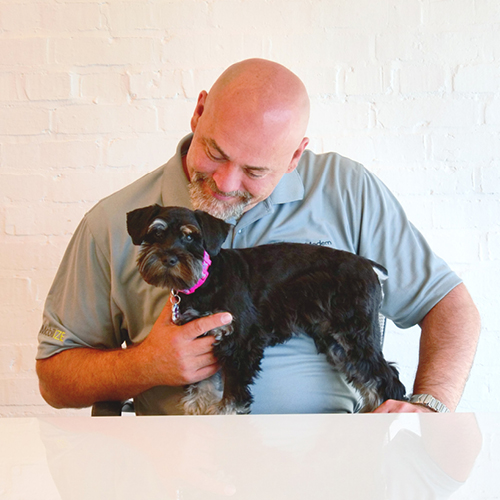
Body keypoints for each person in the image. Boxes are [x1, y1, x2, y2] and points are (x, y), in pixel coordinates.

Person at [36, 58, 480, 415]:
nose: (226, 183)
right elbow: (55, 379)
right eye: (215, 152)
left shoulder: (347, 190)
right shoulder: (111, 221)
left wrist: (429, 407)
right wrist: (144, 365)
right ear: (199, 112)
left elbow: (448, 305)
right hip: (183, 466)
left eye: (255, 170)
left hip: (338, 458)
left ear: (295, 155)